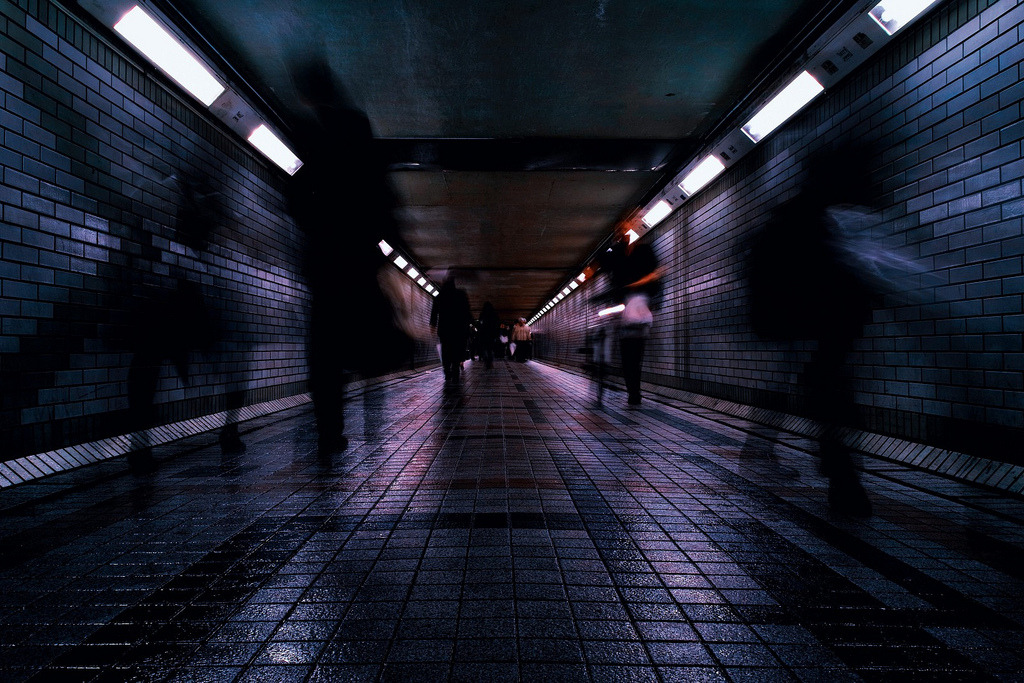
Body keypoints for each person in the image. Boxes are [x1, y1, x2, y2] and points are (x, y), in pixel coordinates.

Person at [287, 55, 409, 454]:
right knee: (358, 334)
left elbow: (296, 193)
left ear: (307, 93)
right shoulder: (356, 127)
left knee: (324, 349)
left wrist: (312, 223)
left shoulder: (311, 132)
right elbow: (381, 190)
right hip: (357, 255)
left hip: (326, 260)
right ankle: (359, 403)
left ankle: (330, 429)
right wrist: (384, 237)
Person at [747, 142, 876, 516]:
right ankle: (839, 470)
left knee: (806, 385)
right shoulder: (821, 218)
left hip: (803, 322)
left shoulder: (796, 215)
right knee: (824, 388)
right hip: (815, 321)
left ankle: (777, 452)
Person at [603, 234, 661, 405]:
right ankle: (633, 392)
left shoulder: (643, 252)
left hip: (637, 315)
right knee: (632, 358)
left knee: (631, 358)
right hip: (630, 314)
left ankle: (634, 392)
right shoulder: (617, 255)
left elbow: (654, 276)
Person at [431, 275, 473, 381]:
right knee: (456, 349)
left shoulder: (440, 296)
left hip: (444, 329)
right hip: (459, 329)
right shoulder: (461, 294)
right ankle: (455, 369)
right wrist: (469, 324)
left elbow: (434, 313)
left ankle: (447, 370)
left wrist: (433, 325)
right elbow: (467, 311)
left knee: (446, 350)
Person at [478, 301, 499, 369]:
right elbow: (497, 325)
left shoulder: (482, 314)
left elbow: (480, 324)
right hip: (491, 335)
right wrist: (496, 334)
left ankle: (486, 361)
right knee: (490, 349)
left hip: (484, 334)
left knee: (484, 349)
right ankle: (490, 362)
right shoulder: (494, 314)